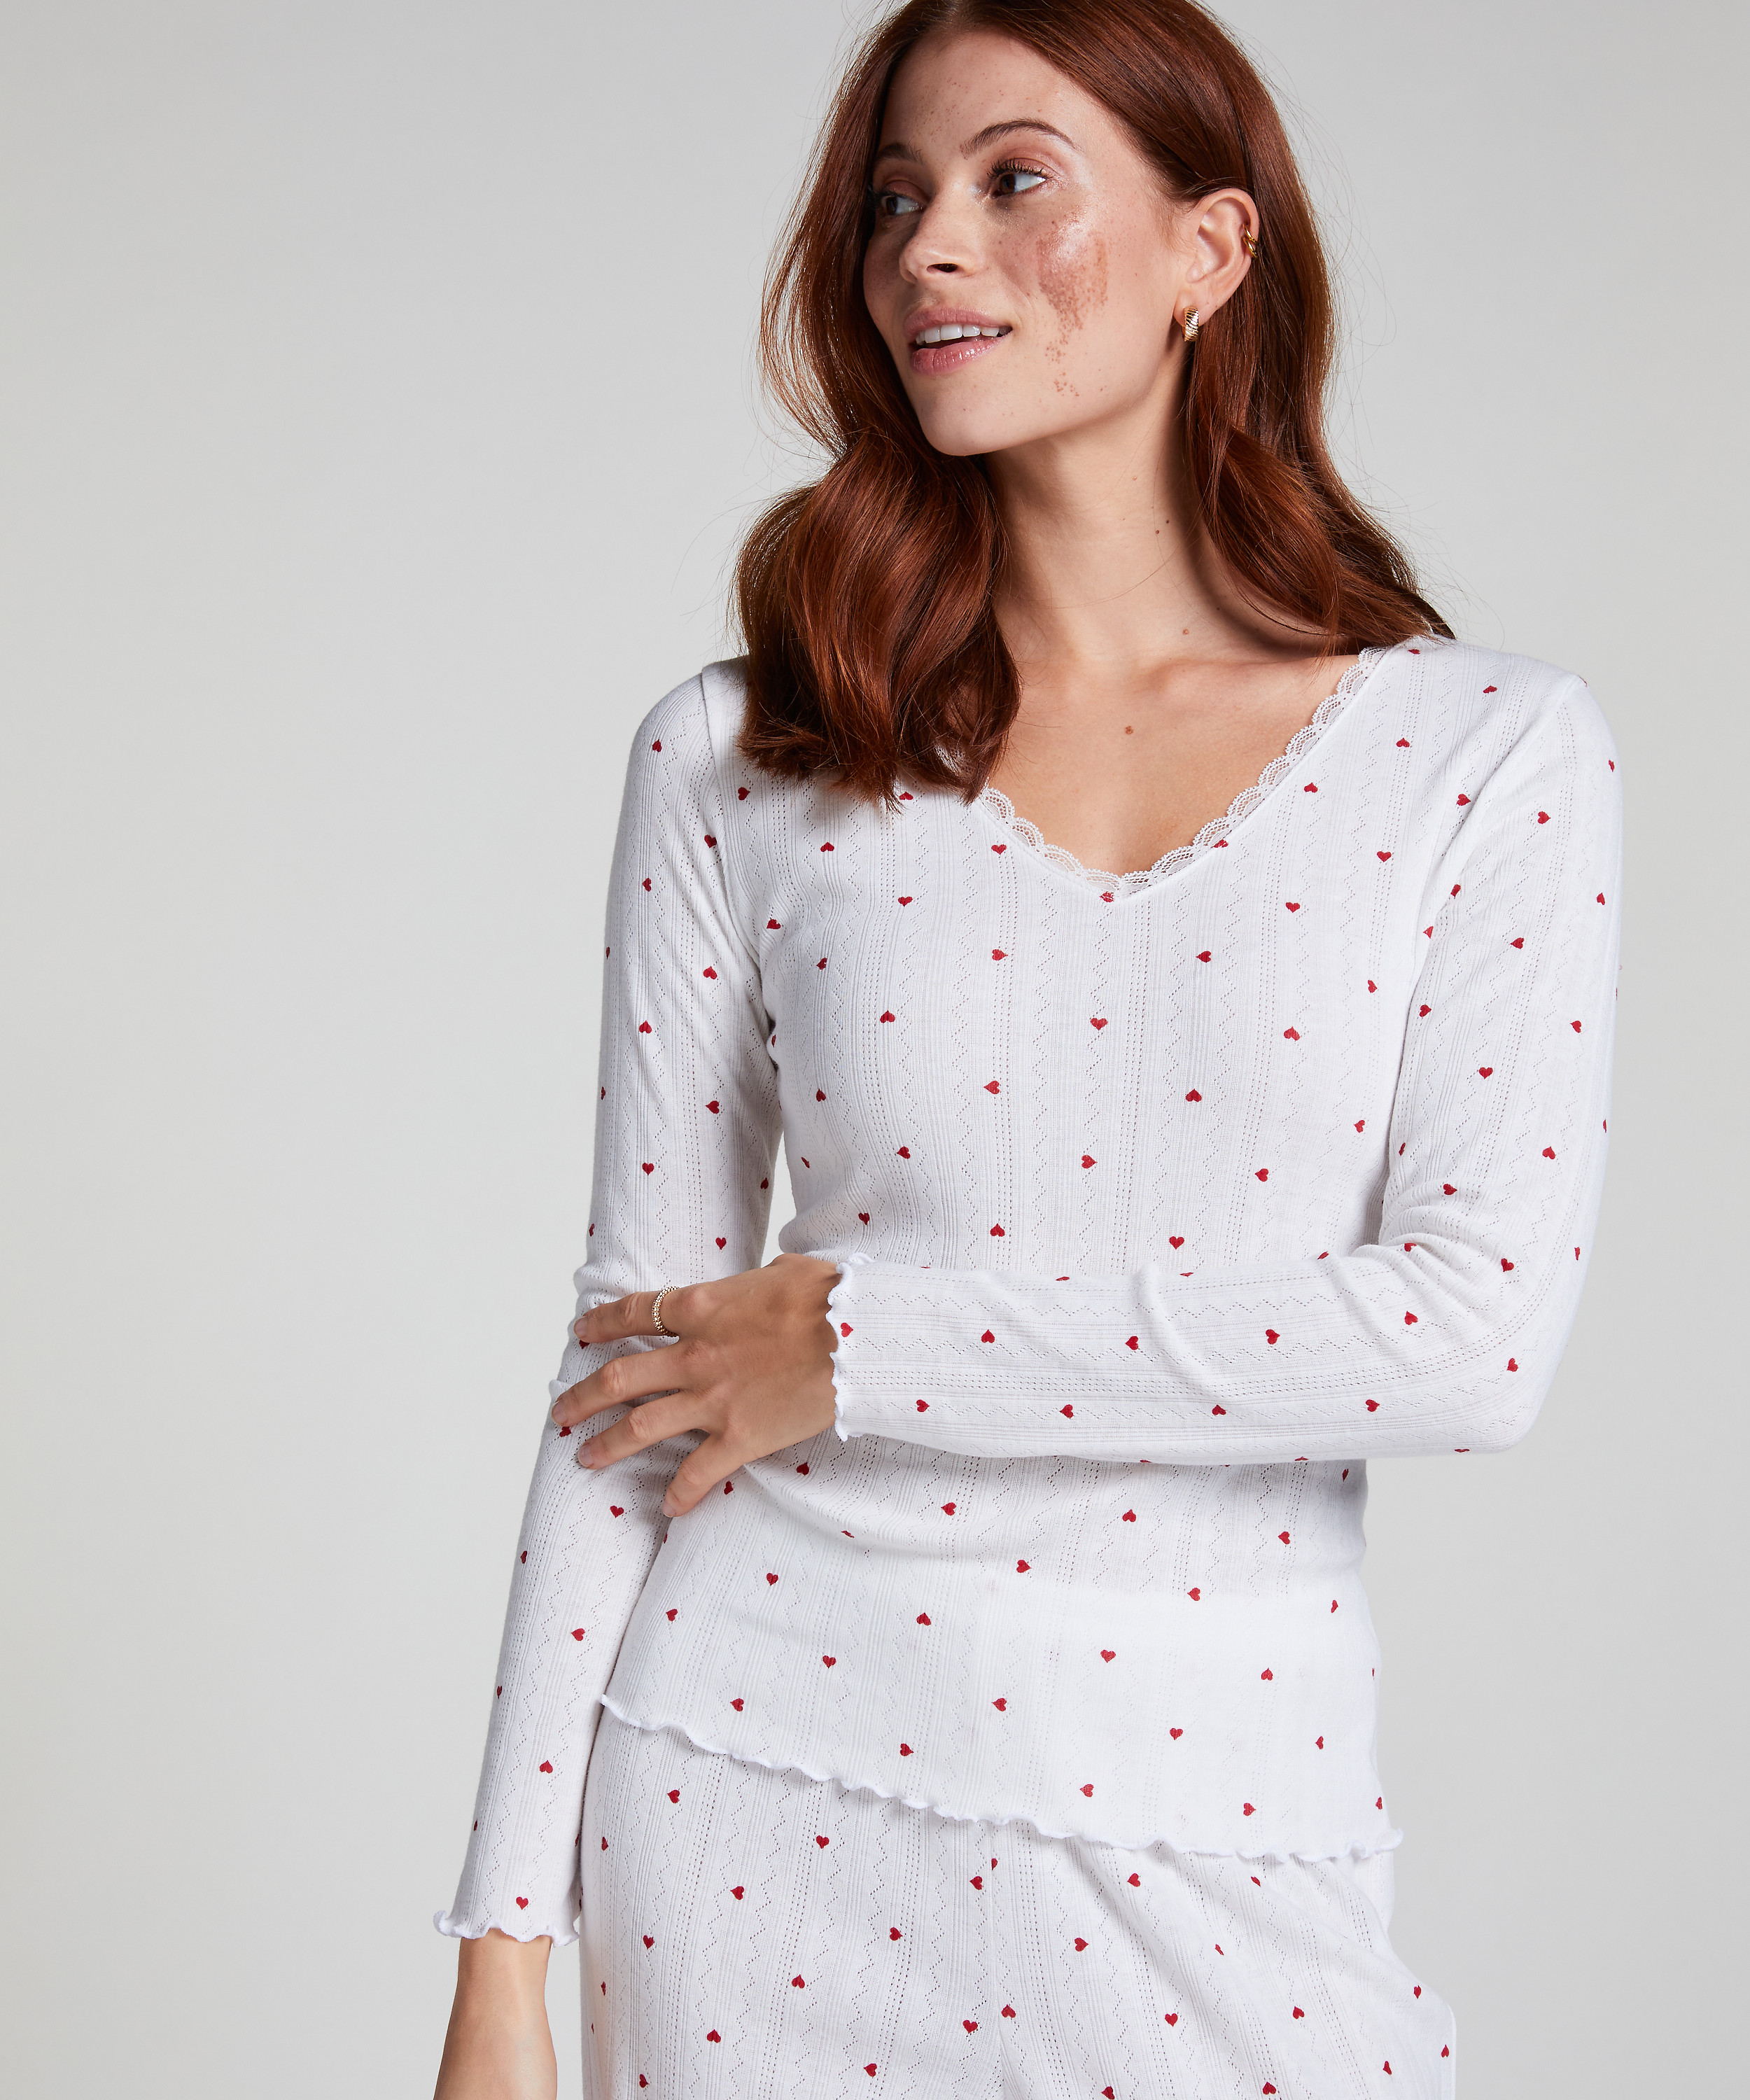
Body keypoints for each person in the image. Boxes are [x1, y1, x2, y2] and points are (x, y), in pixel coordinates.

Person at [433, 2, 1619, 2094]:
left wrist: (864, 1344)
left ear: (1209, 252)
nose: (928, 250)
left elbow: (1468, 1341)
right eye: (893, 199)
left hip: (1219, 1810)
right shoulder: (743, 753)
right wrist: (499, 1965)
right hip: (745, 1796)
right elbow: (630, 1366)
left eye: (1014, 182)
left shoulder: (1479, 755)